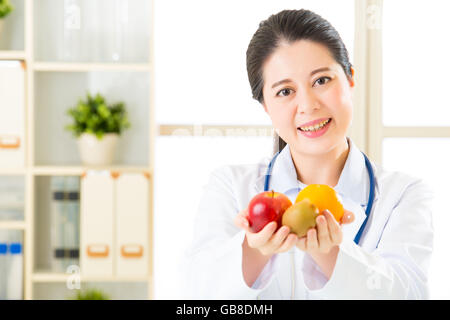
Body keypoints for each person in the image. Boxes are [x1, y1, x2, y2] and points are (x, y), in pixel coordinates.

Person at [183, 9, 434, 300]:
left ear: (350, 78)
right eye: (285, 91)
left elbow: (409, 294)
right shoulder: (230, 186)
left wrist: (332, 254)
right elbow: (198, 297)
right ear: (265, 105)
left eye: (321, 81)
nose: (308, 105)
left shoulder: (403, 195)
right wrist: (253, 250)